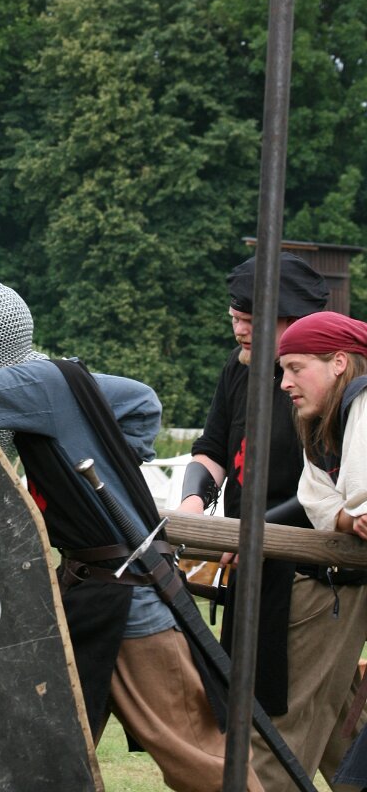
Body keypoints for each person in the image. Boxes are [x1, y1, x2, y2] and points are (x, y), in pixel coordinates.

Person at [0, 279, 263, 792]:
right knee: (46, 755)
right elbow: (140, 401)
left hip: (129, 597)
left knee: (200, 758)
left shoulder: (36, 383)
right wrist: (110, 456)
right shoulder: (57, 381)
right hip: (89, 596)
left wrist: (118, 460)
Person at [180, 254, 366, 792]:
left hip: (312, 576)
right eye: (234, 316)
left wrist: (254, 533)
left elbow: (327, 496)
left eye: (250, 318)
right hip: (257, 565)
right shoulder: (240, 370)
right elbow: (213, 447)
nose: (239, 328)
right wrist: (193, 506)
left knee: (276, 726)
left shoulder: (332, 393)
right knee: (334, 727)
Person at [277, 311, 367, 790]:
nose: (285, 383)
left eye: (296, 368)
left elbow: (359, 492)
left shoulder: (364, 399)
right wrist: (351, 518)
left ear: (338, 362)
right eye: (284, 371)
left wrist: (355, 510)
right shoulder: (318, 426)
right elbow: (318, 501)